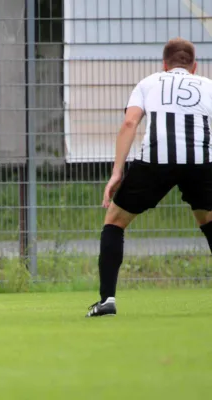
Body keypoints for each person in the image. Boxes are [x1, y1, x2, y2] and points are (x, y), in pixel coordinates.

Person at [86, 38, 212, 317]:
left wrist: (117, 172)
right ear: (194, 67)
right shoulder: (208, 85)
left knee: (115, 221)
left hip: (155, 161)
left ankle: (107, 300)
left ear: (164, 64)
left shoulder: (149, 82)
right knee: (207, 219)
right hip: (201, 162)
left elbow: (130, 122)